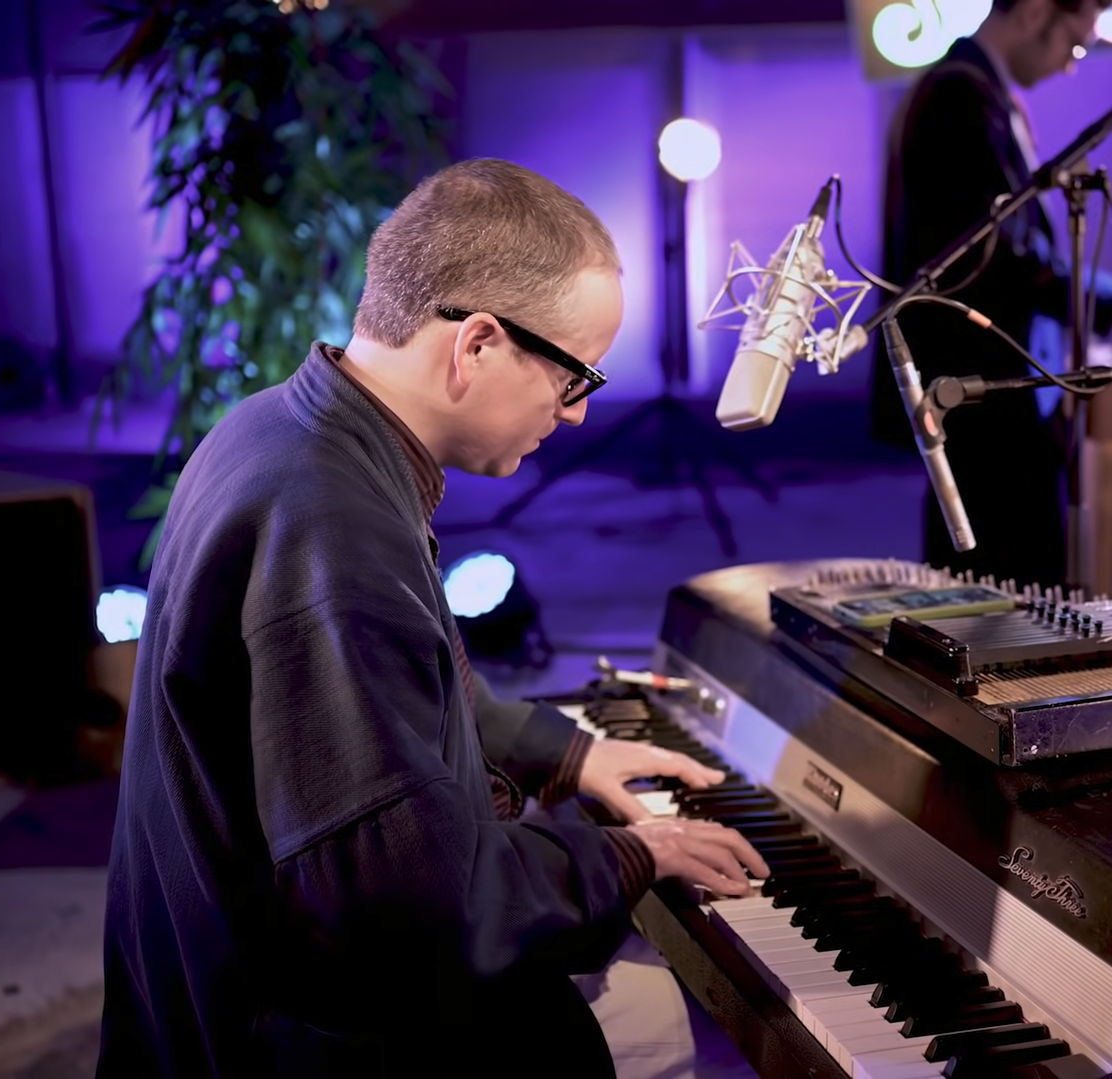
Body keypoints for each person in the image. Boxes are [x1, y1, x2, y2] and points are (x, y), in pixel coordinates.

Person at [97, 159, 770, 1078]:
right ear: (479, 343)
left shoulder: (280, 429)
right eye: (576, 377)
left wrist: (570, 754)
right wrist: (627, 855)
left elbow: (407, 692)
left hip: (230, 989)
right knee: (635, 1026)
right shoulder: (333, 524)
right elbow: (420, 911)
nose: (574, 416)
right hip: (282, 1038)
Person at [871, 0, 1112, 589]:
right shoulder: (958, 96)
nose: (1071, 67)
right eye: (1075, 44)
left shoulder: (970, 89)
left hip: (990, 399)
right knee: (1002, 600)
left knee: (1006, 597)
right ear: (1035, 11)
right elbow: (991, 259)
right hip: (984, 403)